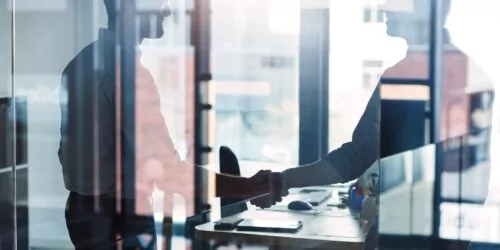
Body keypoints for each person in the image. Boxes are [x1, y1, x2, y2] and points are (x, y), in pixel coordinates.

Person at [58, 0, 284, 248]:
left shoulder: (80, 64)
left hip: (86, 214)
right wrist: (247, 186)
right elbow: (169, 171)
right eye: (159, 4)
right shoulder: (128, 75)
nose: (166, 11)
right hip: (118, 220)